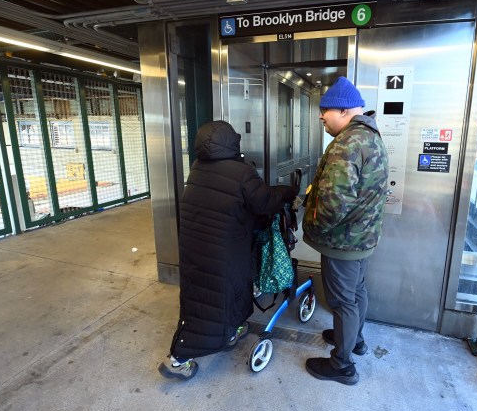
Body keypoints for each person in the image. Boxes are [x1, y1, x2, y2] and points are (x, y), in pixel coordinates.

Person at [158, 120, 296, 381]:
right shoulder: (241, 172)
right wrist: (288, 192)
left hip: (194, 249)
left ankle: (231, 331)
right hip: (225, 251)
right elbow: (264, 202)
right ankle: (178, 358)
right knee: (220, 296)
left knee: (201, 298)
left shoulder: (197, 168)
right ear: (232, 143)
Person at [302, 76, 389, 385]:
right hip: (363, 237)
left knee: (343, 302)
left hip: (344, 241)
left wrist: (314, 227)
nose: (321, 116)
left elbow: (335, 200)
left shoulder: (347, 143)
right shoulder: (371, 136)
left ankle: (342, 365)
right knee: (357, 292)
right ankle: (356, 340)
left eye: (325, 110)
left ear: (342, 111)